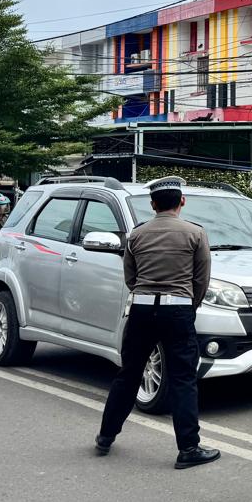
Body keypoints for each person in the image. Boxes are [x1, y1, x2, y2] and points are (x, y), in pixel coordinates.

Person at [95, 177, 219, 469]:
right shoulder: (196, 233)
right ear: (182, 201)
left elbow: (130, 277)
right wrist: (189, 305)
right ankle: (188, 448)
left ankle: (106, 436)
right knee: (182, 379)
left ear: (153, 204)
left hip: (141, 310)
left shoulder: (137, 235)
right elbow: (201, 278)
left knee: (128, 375)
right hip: (178, 312)